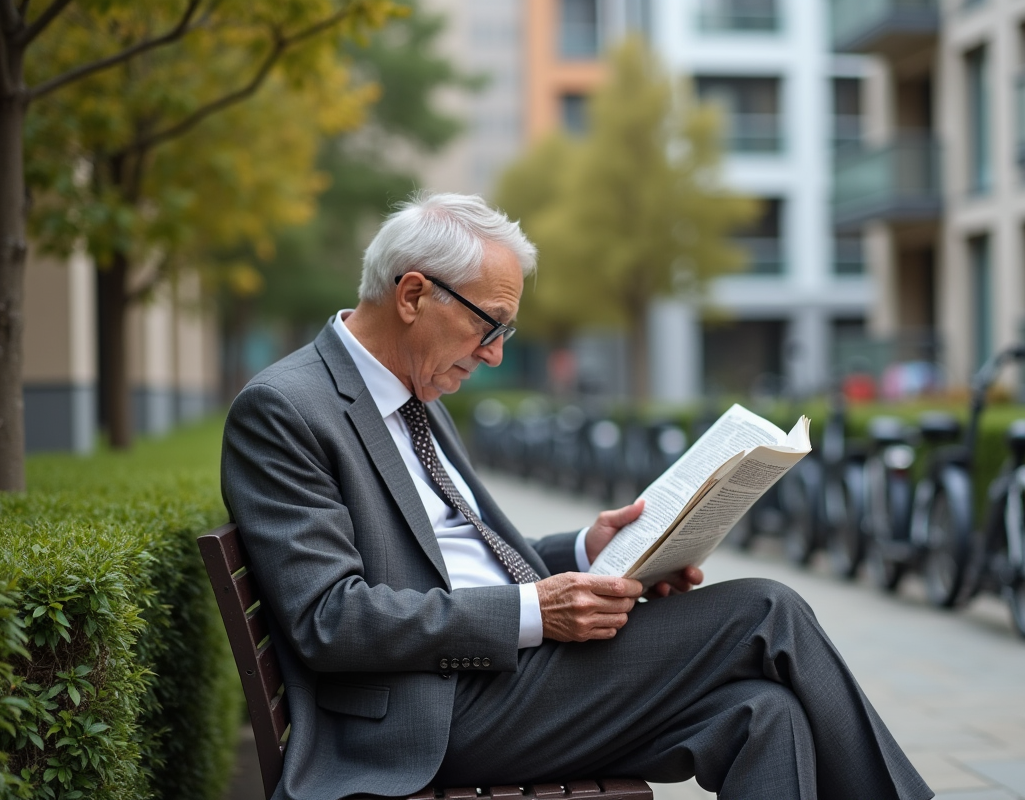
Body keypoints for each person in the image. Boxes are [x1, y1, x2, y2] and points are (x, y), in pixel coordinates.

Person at [221, 192, 933, 800]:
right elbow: (329, 618)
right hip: (425, 715)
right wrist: (537, 612)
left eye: (506, 331)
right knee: (766, 610)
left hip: (500, 682)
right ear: (412, 296)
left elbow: (446, 557)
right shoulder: (287, 409)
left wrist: (590, 554)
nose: (495, 351)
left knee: (762, 711)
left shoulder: (416, 388)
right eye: (488, 324)